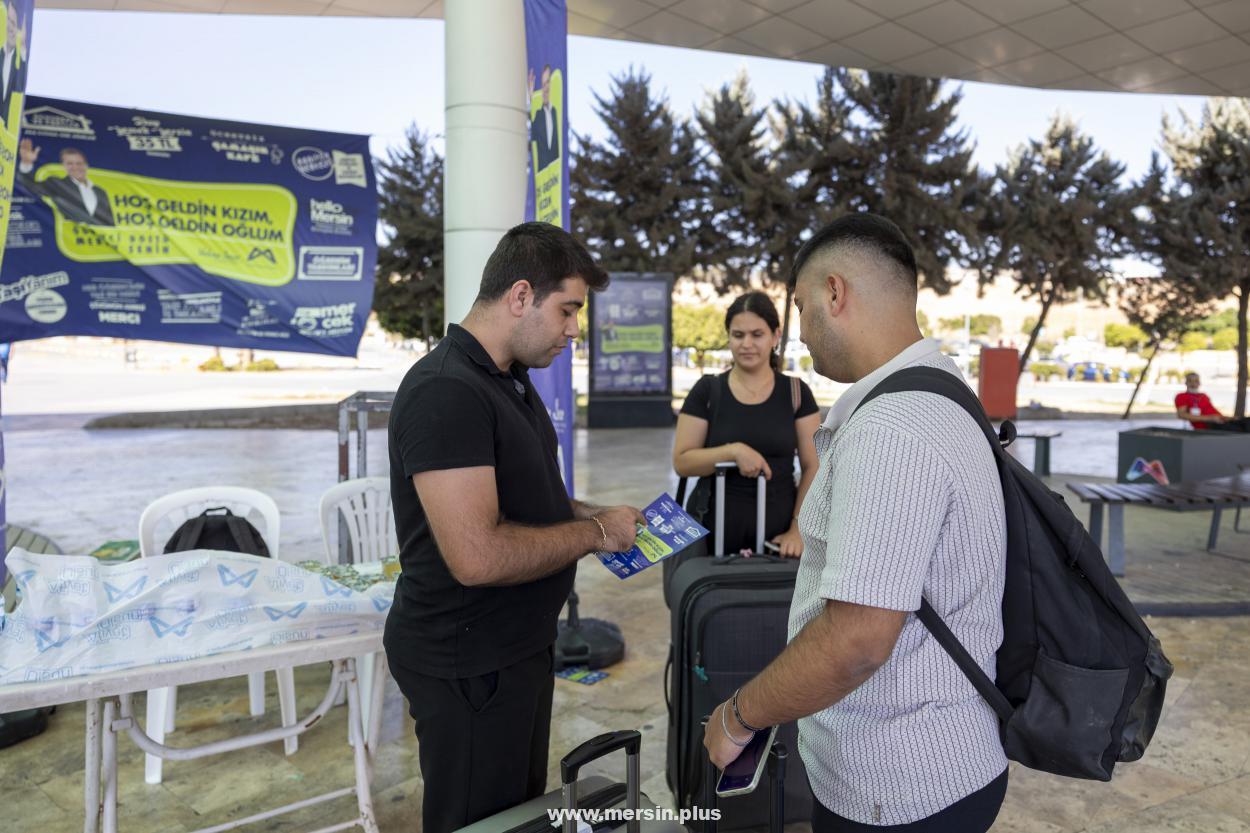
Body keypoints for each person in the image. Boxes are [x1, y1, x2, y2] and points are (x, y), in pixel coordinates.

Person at [704, 214, 1009, 833]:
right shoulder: (945, 389)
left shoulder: (891, 427)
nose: (801, 330)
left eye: (800, 307)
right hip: (937, 761)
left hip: (900, 787)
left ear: (834, 293)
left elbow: (857, 640)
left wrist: (739, 716)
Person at [384, 222, 645, 833]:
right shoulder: (446, 391)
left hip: (518, 647)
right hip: (467, 661)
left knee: (518, 816)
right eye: (568, 310)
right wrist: (595, 536)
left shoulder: (507, 379)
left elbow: (527, 502)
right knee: (478, 820)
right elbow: (476, 554)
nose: (574, 329)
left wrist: (597, 515)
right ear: (521, 295)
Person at [672, 291, 820, 556]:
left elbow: (813, 466)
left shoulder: (797, 393)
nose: (747, 344)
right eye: (738, 335)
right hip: (711, 532)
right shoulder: (707, 391)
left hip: (779, 536)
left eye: (757, 334)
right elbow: (683, 462)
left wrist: (797, 529)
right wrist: (733, 451)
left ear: (775, 336)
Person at [17, 142, 116, 226]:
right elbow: (30, 187)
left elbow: (110, 223)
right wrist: (26, 163)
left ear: (86, 165)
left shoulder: (100, 192)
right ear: (64, 166)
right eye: (70, 164)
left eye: (79, 163)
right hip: (69, 243)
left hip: (98, 246)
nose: (75, 167)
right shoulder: (57, 184)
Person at [1174, 372, 1250, 431]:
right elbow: (1182, 415)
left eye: (1196, 381)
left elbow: (1212, 411)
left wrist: (1229, 418)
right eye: (1190, 381)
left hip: (1221, 421)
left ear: (1199, 383)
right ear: (1186, 383)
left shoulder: (1204, 396)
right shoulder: (1181, 396)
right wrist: (1210, 418)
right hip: (1210, 425)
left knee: (1246, 421)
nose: (1193, 384)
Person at [527, 64, 560, 171]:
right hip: (543, 181)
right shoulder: (539, 115)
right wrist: (531, 98)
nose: (545, 89)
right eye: (543, 84)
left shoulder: (557, 113)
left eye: (548, 83)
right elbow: (530, 133)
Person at [0, 0, 26, 131]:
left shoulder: (17, 63)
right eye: (8, 20)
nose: (10, 27)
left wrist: (22, 47)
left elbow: (19, 88)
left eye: (14, 23)